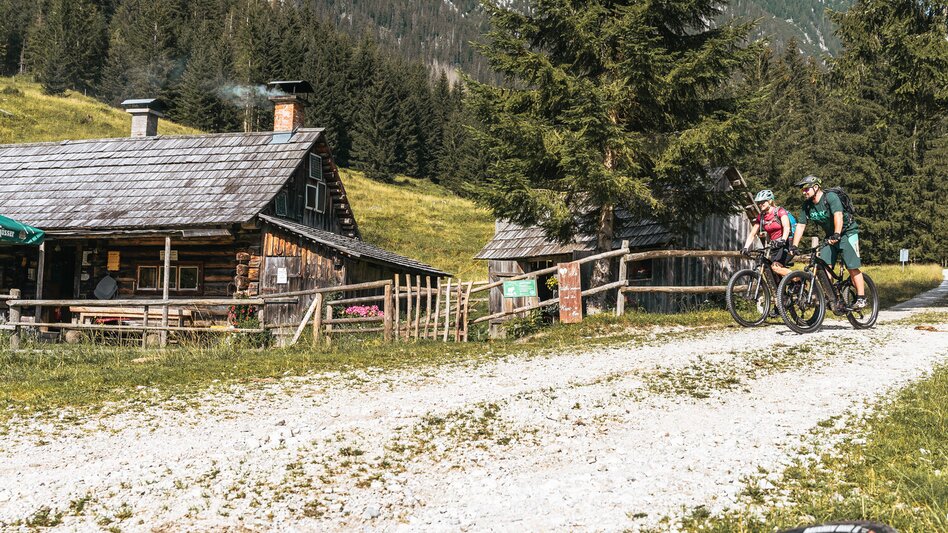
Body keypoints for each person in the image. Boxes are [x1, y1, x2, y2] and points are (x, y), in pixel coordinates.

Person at [789, 175, 866, 309]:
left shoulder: (830, 197)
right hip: (831, 236)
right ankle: (832, 297)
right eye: (802, 190)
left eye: (806, 189)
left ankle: (861, 298)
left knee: (852, 266)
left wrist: (837, 233)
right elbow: (801, 225)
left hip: (848, 232)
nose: (804, 192)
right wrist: (794, 245)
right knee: (825, 268)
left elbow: (838, 215)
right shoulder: (807, 206)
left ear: (816, 187)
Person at [742, 189, 793, 277]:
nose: (760, 204)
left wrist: (783, 240)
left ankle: (799, 278)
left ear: (770, 201)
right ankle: (781, 290)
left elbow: (786, 227)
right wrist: (746, 247)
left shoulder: (780, 211)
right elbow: (753, 233)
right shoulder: (761, 216)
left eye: (763, 202)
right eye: (759, 202)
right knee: (772, 272)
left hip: (785, 244)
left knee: (775, 267)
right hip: (774, 245)